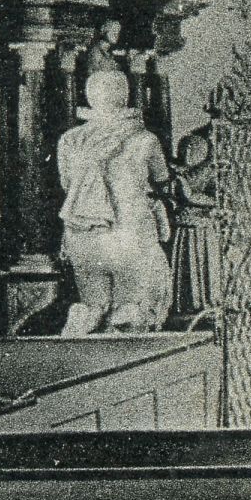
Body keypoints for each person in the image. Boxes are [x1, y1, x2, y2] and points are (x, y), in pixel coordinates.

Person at [56, 67, 173, 333]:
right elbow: (162, 179)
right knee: (130, 305)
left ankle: (85, 317)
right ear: (125, 96)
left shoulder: (69, 140)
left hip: (83, 232)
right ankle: (128, 318)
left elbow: (66, 183)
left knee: (91, 305)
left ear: (89, 97)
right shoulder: (146, 139)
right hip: (130, 231)